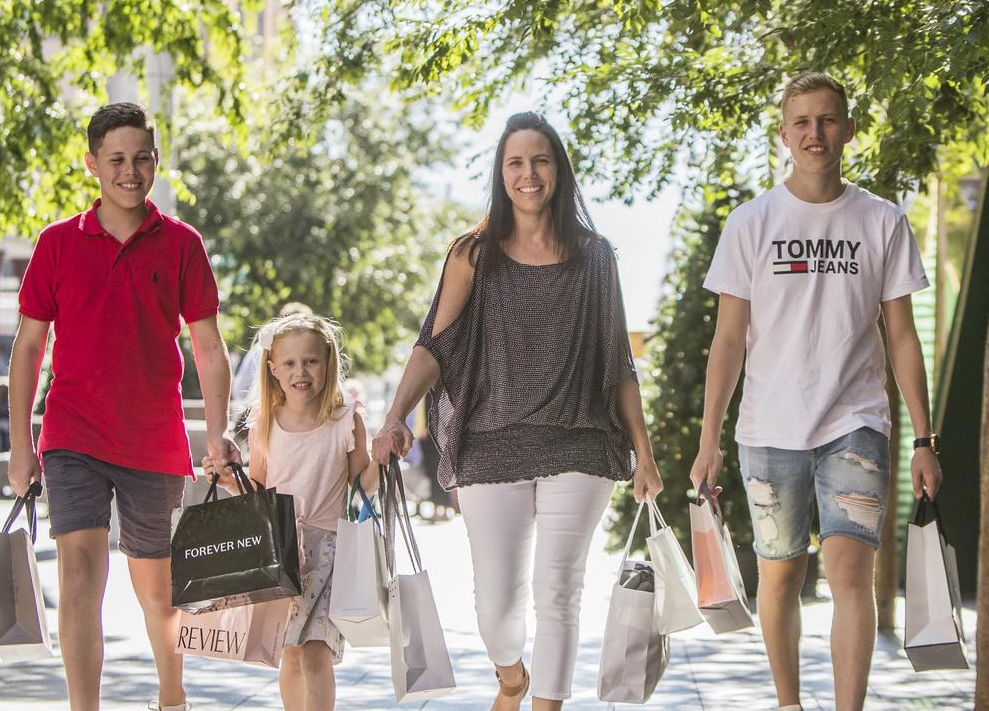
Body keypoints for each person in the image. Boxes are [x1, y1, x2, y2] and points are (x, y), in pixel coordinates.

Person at [371, 111, 664, 711]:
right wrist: (396, 414)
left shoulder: (595, 257)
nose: (528, 173)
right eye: (515, 162)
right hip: (489, 444)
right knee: (495, 606)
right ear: (501, 174)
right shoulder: (473, 254)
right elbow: (435, 342)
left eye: (540, 160)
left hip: (579, 442)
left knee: (560, 593)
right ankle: (512, 677)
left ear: (558, 169)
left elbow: (617, 364)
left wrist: (645, 454)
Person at [689, 72, 943, 711]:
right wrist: (708, 441)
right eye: (801, 122)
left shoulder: (882, 221)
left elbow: (903, 338)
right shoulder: (751, 223)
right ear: (783, 133)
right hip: (769, 427)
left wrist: (924, 437)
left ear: (848, 130)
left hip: (855, 423)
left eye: (827, 120)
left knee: (851, 574)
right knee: (780, 576)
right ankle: (788, 704)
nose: (814, 133)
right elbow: (727, 341)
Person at [6, 101, 239, 711]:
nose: (129, 172)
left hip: (152, 439)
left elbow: (209, 348)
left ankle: (172, 695)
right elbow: (29, 348)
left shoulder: (183, 243)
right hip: (71, 436)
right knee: (80, 574)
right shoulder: (56, 244)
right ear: (92, 164)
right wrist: (18, 446)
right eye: (116, 159)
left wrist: (217, 437)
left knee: (156, 588)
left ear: (155, 162)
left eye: (140, 159)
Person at [204, 313, 375, 711]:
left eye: (311, 361)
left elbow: (360, 486)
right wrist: (230, 481)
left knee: (316, 651)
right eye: (291, 363)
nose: (302, 372)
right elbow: (260, 488)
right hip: (282, 552)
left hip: (330, 552)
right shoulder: (266, 423)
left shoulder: (346, 419)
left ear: (329, 363)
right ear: (273, 369)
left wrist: (381, 462)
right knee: (291, 652)